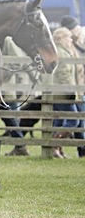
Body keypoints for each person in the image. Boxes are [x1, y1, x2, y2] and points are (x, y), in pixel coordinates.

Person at [46, 27, 81, 159]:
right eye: (68, 37)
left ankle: (58, 149)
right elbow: (63, 74)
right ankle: (55, 144)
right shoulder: (61, 52)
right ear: (60, 38)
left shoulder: (63, 51)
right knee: (74, 120)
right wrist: (70, 90)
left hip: (60, 92)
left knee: (59, 121)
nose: (71, 40)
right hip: (63, 93)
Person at [59, 15, 85, 158]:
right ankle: (57, 145)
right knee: (77, 120)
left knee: (79, 120)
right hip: (76, 88)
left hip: (80, 87)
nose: (78, 29)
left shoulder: (78, 43)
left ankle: (80, 150)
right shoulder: (69, 46)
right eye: (75, 28)